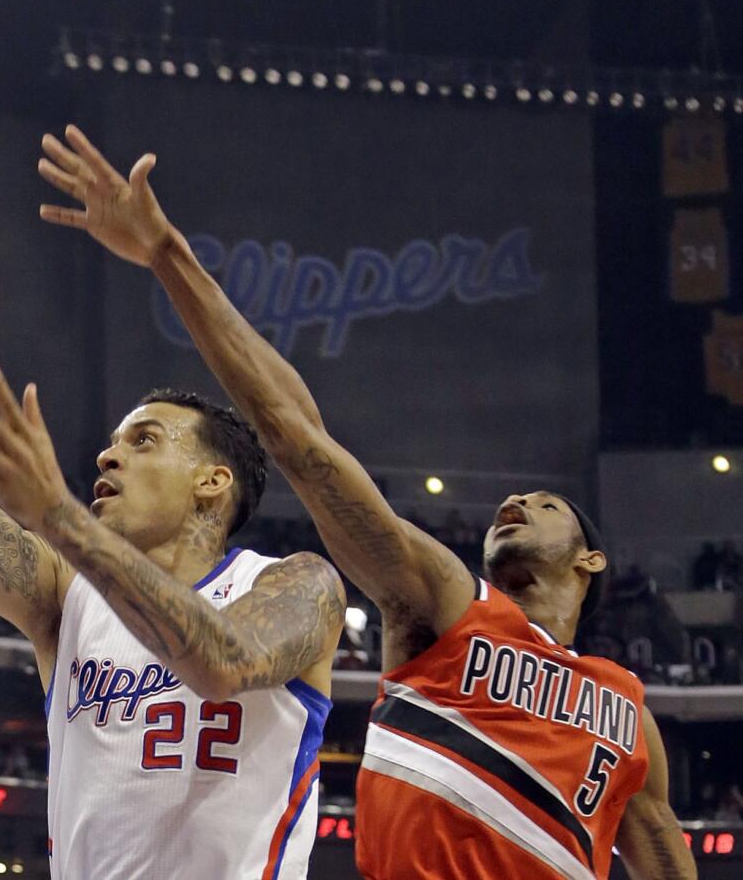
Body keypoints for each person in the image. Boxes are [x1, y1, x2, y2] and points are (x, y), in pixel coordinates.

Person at [37, 124, 696, 880]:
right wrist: (166, 255)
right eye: (515, 496)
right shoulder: (445, 603)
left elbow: (665, 857)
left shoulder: (627, 711)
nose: (515, 497)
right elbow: (297, 436)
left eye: (545, 503)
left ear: (592, 556)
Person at [0, 120, 346, 879]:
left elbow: (224, 659)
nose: (108, 453)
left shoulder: (297, 584)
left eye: (144, 440)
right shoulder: (65, 592)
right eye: (113, 440)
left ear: (215, 481)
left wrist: (61, 517)